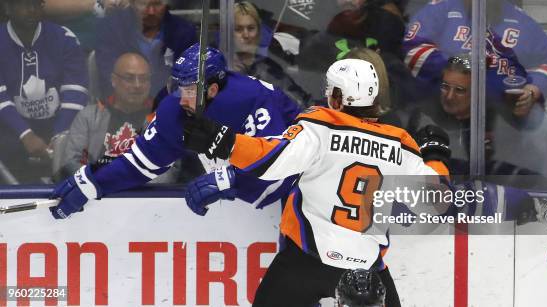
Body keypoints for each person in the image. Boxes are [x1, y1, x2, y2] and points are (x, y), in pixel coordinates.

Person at [180, 58, 451, 306]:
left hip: (305, 263)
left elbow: (270, 160)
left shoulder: (320, 125)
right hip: (367, 270)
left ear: (336, 97)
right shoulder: (400, 143)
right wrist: (435, 156)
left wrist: (220, 139)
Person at [48, 44, 301, 218]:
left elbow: (282, 167)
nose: (181, 98)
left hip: (305, 189)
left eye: (190, 90)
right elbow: (140, 164)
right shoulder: (175, 108)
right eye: (180, 88)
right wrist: (92, 182)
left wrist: (230, 180)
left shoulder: (251, 99)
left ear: (211, 90)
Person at [407, 54, 547, 186]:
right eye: (445, 87)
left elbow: (517, 176)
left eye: (459, 90)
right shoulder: (423, 117)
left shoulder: (502, 122)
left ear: (478, 92)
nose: (449, 96)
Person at [403, 0, 547, 118]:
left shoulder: (522, 21)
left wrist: (532, 90)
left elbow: (544, 62)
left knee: (542, 127)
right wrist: (461, 68)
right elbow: (412, 48)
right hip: (443, 108)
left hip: (503, 115)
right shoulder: (441, 8)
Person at [0, 0, 89, 183]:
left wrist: (59, 134)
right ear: (8, 8)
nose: (32, 10)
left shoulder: (64, 38)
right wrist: (25, 134)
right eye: (24, 5)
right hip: (10, 128)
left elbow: (76, 92)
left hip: (60, 124)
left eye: (37, 4)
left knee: (82, 150)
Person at [58, 52, 152, 178]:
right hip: (96, 193)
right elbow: (71, 163)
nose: (137, 85)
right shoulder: (88, 117)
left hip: (145, 196)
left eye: (143, 78)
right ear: (114, 80)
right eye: (129, 78)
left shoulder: (162, 120)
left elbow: (167, 170)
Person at [95, 0, 197, 98]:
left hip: (168, 104)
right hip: (123, 106)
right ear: (132, 3)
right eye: (143, 4)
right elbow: (107, 76)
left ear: (166, 3)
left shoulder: (185, 33)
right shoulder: (111, 28)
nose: (151, 11)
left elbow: (188, 80)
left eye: (157, 4)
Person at [230, 1, 311, 107]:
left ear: (259, 31)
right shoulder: (220, 66)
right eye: (238, 29)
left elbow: (301, 104)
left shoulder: (270, 69)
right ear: (229, 32)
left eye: (251, 28)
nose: (246, 35)